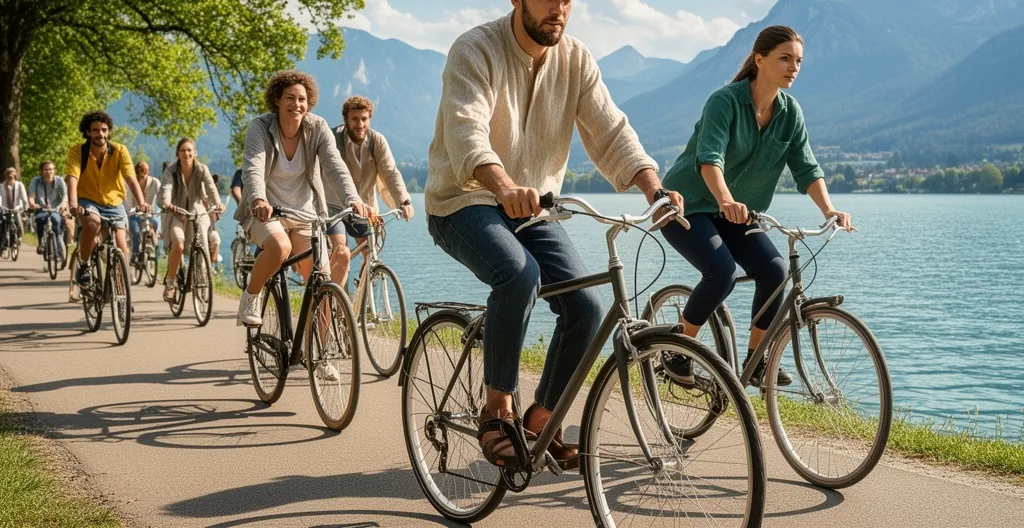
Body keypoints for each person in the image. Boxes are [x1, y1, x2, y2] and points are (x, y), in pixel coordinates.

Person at [424, 0, 683, 469]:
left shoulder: (576, 59)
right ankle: (496, 411)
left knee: (586, 305)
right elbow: (467, 131)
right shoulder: (475, 49)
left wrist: (653, 188)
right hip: (462, 200)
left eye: (568, 0)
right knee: (518, 274)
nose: (559, 9)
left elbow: (611, 130)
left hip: (535, 208)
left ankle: (541, 418)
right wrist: (502, 185)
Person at [658, 25, 853, 388]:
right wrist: (726, 199)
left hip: (736, 213)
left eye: (798, 61)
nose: (793, 67)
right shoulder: (725, 101)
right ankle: (678, 349)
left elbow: (807, 167)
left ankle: (756, 360)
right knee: (722, 271)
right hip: (687, 206)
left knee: (776, 271)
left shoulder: (790, 112)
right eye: (784, 58)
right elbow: (709, 159)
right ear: (760, 59)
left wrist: (829, 210)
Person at [234, 70, 370, 326]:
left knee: (322, 285)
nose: (296, 104)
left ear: (309, 103)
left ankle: (320, 358)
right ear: (277, 99)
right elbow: (252, 167)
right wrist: (258, 201)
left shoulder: (317, 127)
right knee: (280, 248)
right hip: (267, 213)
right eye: (290, 98)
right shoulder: (260, 127)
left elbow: (335, 166)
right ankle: (251, 295)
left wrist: (353, 198)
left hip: (305, 215)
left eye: (302, 100)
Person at [327, 95, 414, 289]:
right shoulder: (332, 139)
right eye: (355, 119)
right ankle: (335, 306)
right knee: (341, 253)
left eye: (364, 119)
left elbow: (391, 173)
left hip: (365, 207)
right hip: (334, 206)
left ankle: (360, 300)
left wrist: (404, 201)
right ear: (346, 120)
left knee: (371, 254)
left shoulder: (377, 141)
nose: (360, 124)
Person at [65, 110, 151, 285]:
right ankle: (84, 264)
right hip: (87, 199)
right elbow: (72, 178)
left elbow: (130, 177)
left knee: (121, 247)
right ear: (88, 132)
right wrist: (73, 203)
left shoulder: (119, 151)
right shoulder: (77, 151)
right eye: (95, 130)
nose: (100, 134)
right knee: (93, 223)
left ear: (109, 131)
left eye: (104, 129)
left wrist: (142, 202)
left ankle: (122, 293)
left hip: (114, 202)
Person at [159, 138, 224, 301]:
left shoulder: (202, 169)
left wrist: (218, 204)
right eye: (183, 150)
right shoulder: (171, 171)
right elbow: (166, 188)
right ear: (178, 153)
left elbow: (211, 188)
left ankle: (203, 279)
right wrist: (166, 203)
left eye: (190, 150)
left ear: (195, 152)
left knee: (202, 240)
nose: (186, 153)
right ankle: (170, 284)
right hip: (176, 212)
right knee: (179, 243)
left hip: (197, 211)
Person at [28, 161, 68, 257]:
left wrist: (63, 205)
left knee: (57, 221)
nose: (48, 172)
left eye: (50, 169)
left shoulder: (59, 180)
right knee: (40, 219)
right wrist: (32, 204)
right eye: (45, 169)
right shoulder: (36, 181)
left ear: (54, 171)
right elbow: (31, 196)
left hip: (56, 209)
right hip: (42, 208)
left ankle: (60, 244)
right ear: (41, 171)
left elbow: (65, 196)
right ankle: (41, 242)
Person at [125, 161, 161, 258]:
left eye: (147, 170)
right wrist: (129, 211)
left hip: (149, 214)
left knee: (155, 225)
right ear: (136, 171)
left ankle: (153, 248)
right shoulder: (129, 183)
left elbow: (162, 197)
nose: (145, 172)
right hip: (133, 214)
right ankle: (135, 255)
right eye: (142, 170)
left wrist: (165, 206)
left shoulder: (154, 182)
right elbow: (124, 198)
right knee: (135, 232)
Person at [1, 167, 29, 243]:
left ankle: (19, 236)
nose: (10, 177)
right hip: (5, 209)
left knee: (18, 220)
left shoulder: (19, 185)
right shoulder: (1, 186)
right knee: (2, 222)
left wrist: (25, 206)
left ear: (15, 175)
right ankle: (2, 240)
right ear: (6, 176)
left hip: (17, 208)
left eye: (12, 174)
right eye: (9, 174)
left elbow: (24, 197)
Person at [207, 173, 224, 271]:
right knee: (215, 240)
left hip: (210, 228)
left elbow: (216, 218)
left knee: (216, 240)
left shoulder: (214, 200)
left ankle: (209, 266)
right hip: (205, 227)